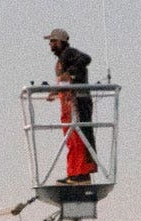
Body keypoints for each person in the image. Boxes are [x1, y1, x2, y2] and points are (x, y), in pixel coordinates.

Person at [46, 28, 96, 183]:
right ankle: (74, 173)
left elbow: (86, 58)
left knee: (80, 135)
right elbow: (65, 80)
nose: (51, 45)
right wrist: (57, 91)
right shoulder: (62, 58)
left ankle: (83, 173)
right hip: (68, 102)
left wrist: (71, 72)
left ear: (61, 41)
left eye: (53, 41)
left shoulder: (69, 53)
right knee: (71, 138)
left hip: (78, 101)